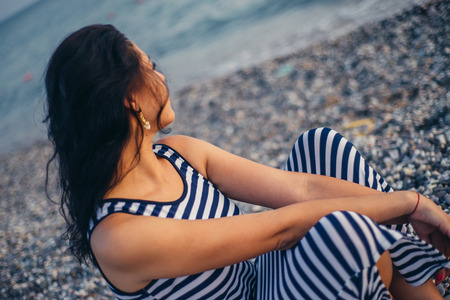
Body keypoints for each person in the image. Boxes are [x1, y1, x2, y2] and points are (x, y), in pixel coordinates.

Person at [44, 24, 449, 299]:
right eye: (150, 68)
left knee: (319, 147)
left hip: (264, 280)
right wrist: (409, 205)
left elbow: (301, 190)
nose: (162, 78)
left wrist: (401, 213)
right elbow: (281, 230)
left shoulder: (178, 153)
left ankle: (416, 278)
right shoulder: (119, 237)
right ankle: (410, 257)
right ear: (131, 99)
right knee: (347, 236)